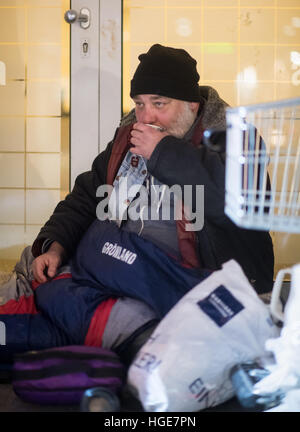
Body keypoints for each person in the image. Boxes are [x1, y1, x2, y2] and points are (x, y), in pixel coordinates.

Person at [0, 44, 274, 366]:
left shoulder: (235, 138)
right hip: (109, 264)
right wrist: (55, 244)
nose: (147, 117)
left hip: (170, 282)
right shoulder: (129, 134)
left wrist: (164, 152)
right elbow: (88, 195)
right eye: (140, 104)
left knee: (90, 312)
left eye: (159, 104)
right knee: (35, 266)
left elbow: (234, 206)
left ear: (191, 104)